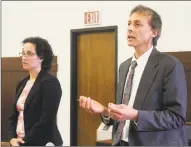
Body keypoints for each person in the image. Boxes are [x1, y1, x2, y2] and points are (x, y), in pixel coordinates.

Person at [79, 4, 188, 146]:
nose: (130, 28)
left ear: (153, 32)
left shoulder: (170, 65)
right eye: (129, 24)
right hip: (121, 143)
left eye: (137, 24)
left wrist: (136, 115)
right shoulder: (124, 67)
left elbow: (176, 117)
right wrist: (104, 110)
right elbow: (123, 115)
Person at [8, 37, 63, 146]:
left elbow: (46, 119)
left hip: (39, 142)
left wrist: (24, 141)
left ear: (41, 57)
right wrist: (12, 139)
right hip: (18, 142)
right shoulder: (22, 83)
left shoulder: (50, 83)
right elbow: (14, 116)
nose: (24, 57)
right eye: (23, 53)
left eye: (29, 53)